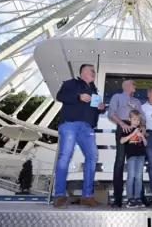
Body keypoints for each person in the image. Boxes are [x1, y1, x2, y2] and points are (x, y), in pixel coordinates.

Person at [53, 64, 106, 209]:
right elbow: (60, 96)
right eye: (92, 70)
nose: (94, 72)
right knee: (65, 156)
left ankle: (87, 196)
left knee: (92, 156)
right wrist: (78, 96)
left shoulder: (94, 91)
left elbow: (95, 110)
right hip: (70, 124)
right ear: (83, 72)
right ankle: (59, 196)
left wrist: (101, 108)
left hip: (87, 128)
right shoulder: (71, 83)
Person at [108, 79, 147, 208]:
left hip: (136, 128)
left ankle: (138, 197)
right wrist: (122, 123)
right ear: (126, 86)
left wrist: (143, 128)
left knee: (137, 162)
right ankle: (118, 198)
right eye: (133, 84)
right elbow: (111, 113)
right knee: (120, 161)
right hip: (123, 127)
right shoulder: (117, 97)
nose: (135, 85)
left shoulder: (137, 101)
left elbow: (143, 117)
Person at [120, 110, 148, 208]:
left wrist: (142, 136)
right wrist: (133, 134)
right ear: (130, 119)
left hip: (141, 155)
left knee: (139, 177)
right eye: (134, 119)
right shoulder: (127, 129)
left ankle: (138, 198)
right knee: (131, 176)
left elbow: (145, 144)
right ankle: (130, 198)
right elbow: (122, 141)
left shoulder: (141, 130)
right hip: (131, 156)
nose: (136, 122)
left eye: (138, 120)